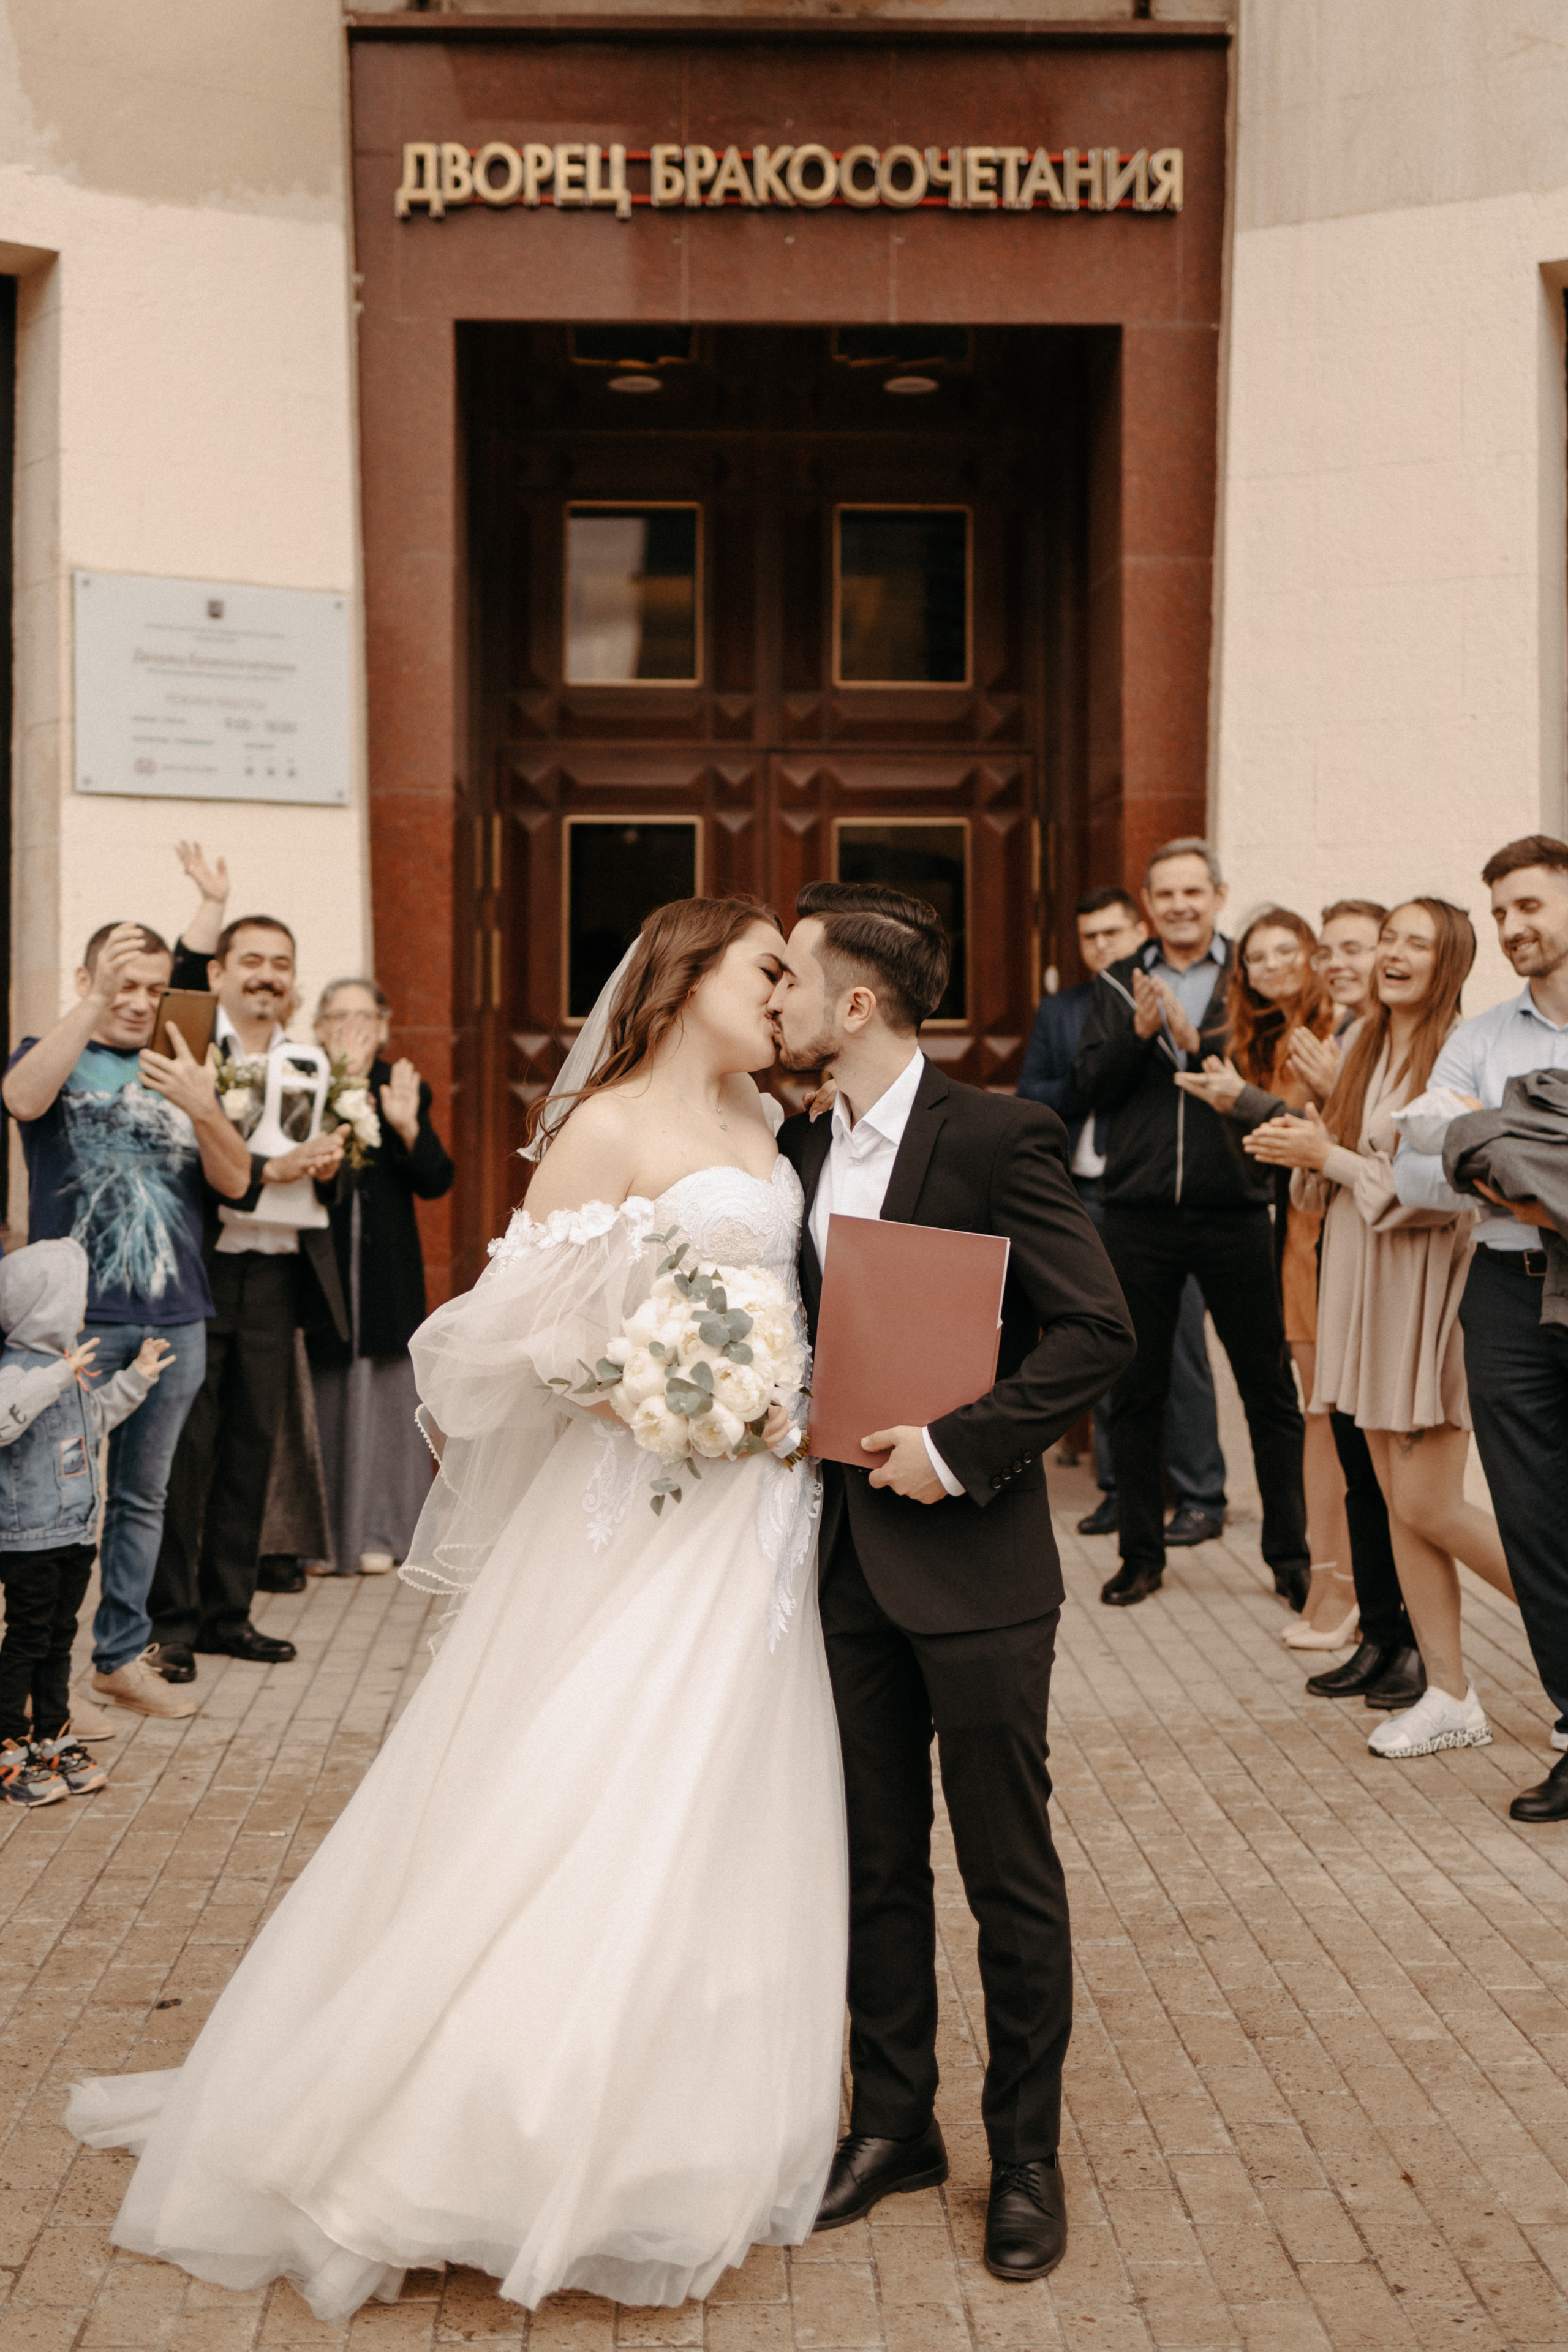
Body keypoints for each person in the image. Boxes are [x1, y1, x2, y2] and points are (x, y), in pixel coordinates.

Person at [67, 895, 845, 2317]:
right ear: (681, 983)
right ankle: (480, 2124)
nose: (788, 993)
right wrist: (658, 1389)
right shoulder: (607, 1126)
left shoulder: (772, 1124)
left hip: (759, 1517)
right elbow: (499, 1336)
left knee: (720, 1794)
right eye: (766, 970)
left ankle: (678, 2128)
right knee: (584, 1785)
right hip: (640, 1505)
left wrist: (775, 1399)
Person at [771, 880, 1134, 2286]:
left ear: (856, 1000)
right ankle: (895, 2125)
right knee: (871, 1857)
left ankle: (1023, 2153)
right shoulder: (796, 1143)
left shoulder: (996, 1132)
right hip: (840, 1558)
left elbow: (1090, 1325)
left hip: (971, 1562)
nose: (777, 998)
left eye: (793, 977)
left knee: (1005, 1869)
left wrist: (956, 1443)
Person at [1245, 899, 1515, 1761]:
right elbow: (1344, 1165)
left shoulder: (1459, 1051)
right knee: (1401, 1503)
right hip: (1363, 1281)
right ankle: (1449, 1693)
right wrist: (1309, 1153)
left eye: (1415, 944)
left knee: (1432, 1502)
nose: (1392, 954)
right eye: (1388, 938)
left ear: (1452, 964)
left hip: (1430, 1283)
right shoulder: (1363, 1041)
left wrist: (1330, 1158)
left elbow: (1445, 1190)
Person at [1, 921, 255, 1724]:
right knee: (48, 1512)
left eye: (153, 986)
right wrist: (94, 1003)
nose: (140, 1002)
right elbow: (20, 1099)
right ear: (89, 979)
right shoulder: (52, 1050)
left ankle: (116, 1661)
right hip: (65, 1330)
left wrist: (203, 1105)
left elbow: (238, 1180)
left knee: (144, 1498)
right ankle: (37, 1689)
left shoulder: (182, 1067)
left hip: (172, 1318)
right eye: (123, 984)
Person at [1072, 839, 1311, 1610]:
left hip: (1237, 1208)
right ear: (1148, 902)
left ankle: (1291, 1556)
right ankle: (1140, 1555)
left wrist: (1193, 1038)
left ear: (1217, 895)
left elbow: (1267, 1070)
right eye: (1165, 894)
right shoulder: (1115, 979)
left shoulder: (1253, 974)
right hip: (1136, 1212)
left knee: (1267, 1389)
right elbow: (1090, 1088)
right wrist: (1140, 1034)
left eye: (1193, 892)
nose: (1179, 905)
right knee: (1136, 1390)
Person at [1392, 837, 1568, 1819]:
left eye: (1531, 907)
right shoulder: (1485, 1036)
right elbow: (1421, 1171)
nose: (1513, 928)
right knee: (1537, 1524)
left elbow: (1444, 1143)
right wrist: (1522, 1169)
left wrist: (1480, 1137)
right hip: (1503, 1295)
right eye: (1500, 911)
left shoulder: (1482, 1065)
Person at [150, 915, 348, 1675]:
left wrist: (332, 1164)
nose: (268, 975)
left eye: (282, 964)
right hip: (201, 1268)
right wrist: (208, 905)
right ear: (221, 973)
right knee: (185, 1449)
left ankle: (227, 1616)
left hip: (275, 1270)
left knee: (250, 1449)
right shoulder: (190, 1051)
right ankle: (170, 1623)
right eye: (253, 961)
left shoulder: (312, 1062)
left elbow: (335, 1172)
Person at [1019, 886, 1226, 1545]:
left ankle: (1199, 1493)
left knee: (1184, 1349)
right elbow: (1036, 1093)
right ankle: (1117, 1488)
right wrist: (1091, 1073)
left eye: (1113, 933)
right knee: (1098, 1341)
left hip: (1153, 1193)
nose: (1101, 947)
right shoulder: (1062, 1010)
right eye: (1090, 937)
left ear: (1138, 931)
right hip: (1080, 1191)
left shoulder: (1167, 997)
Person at [1172, 908, 1352, 1646]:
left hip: (1338, 1233)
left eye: (1288, 951)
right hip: (1298, 1233)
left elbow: (1321, 1134)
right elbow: (1267, 1153)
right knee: (1318, 1413)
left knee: (1325, 1417)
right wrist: (1233, 1104)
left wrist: (1239, 1102)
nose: (1273, 966)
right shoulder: (1262, 1033)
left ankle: (1342, 1594)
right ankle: (1332, 1591)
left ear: (1311, 957)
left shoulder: (1332, 1029)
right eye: (1257, 958)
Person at [1296, 900, 1425, 1707]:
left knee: (1395, 1481)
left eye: (1356, 947)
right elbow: (1320, 1179)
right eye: (1329, 949)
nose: (1340, 962)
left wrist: (1326, 1135)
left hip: (1396, 1278)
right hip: (1339, 1265)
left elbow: (1412, 1184)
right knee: (1353, 1465)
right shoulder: (1352, 1042)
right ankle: (1378, 1636)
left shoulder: (1419, 1052)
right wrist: (1310, 1137)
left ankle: (1414, 1644)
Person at [0, 1242, 173, 1807]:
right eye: (74, 1301)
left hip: (74, 1532)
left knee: (58, 1638)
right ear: (44, 1307)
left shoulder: (69, 1367)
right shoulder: (20, 1370)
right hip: (28, 1539)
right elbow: (5, 1421)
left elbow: (93, 1420)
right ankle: (8, 1747)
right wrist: (58, 1375)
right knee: (26, 1640)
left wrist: (137, 1378)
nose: (82, 1311)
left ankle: (53, 1736)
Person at [307, 978, 454, 1574]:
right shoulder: (303, 1079)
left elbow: (436, 1178)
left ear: (386, 1026)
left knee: (385, 1395)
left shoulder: (400, 1084)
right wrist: (338, 1086)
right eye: (339, 1017)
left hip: (385, 1265)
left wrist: (407, 1127)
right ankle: (315, 1539)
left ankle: (381, 1530)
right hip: (318, 1266)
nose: (352, 1031)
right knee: (319, 1390)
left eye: (364, 1017)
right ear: (318, 1028)